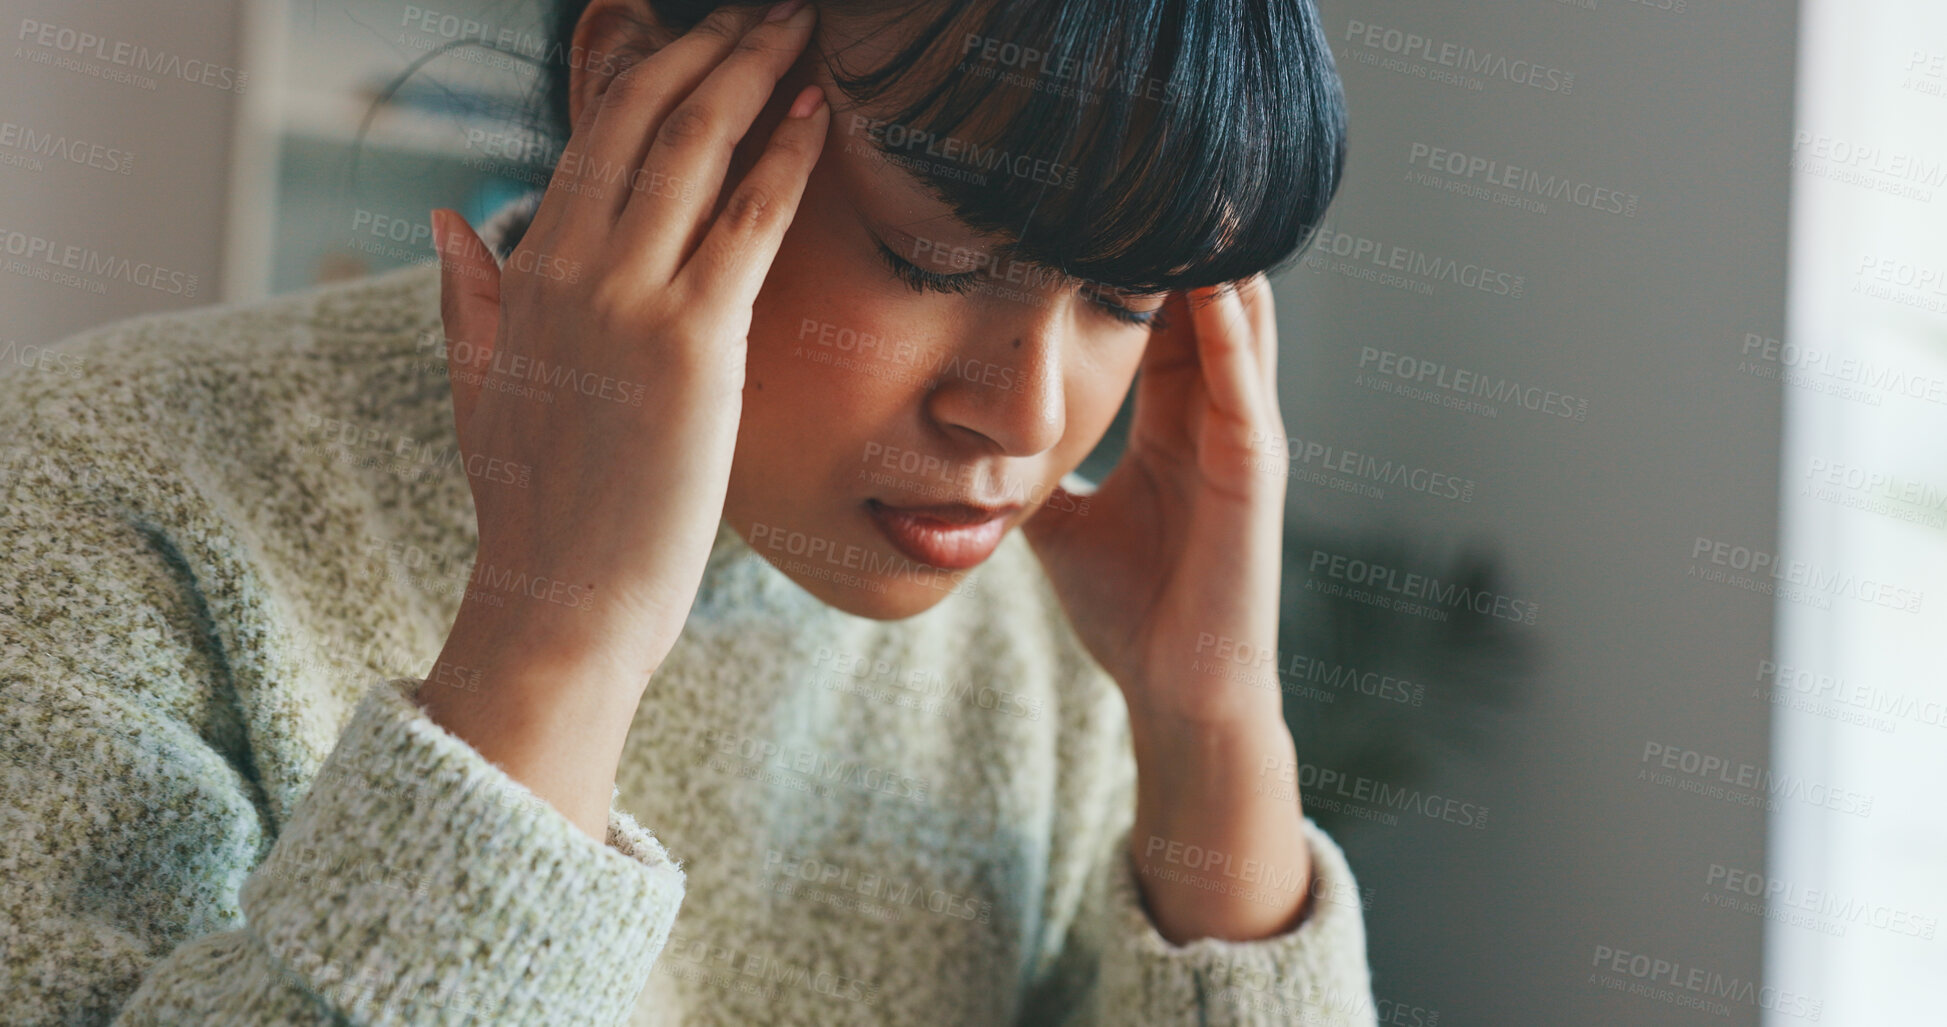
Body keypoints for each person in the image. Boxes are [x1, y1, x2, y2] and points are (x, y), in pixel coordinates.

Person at [0, 0, 1374, 1022]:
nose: (1024, 418)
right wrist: (558, 636)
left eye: (1126, 297)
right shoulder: (104, 488)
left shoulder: (1059, 650)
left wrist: (1211, 730)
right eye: (932, 258)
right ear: (638, 98)